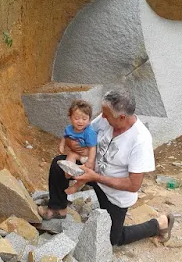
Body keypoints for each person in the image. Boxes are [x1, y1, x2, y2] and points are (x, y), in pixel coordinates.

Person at [38, 88, 174, 245]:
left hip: (114, 194)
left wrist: (95, 177)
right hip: (91, 171)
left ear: (122, 117)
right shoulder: (105, 119)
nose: (102, 117)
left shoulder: (140, 140)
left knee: (111, 240)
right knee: (59, 164)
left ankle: (159, 224)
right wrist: (73, 145)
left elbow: (133, 184)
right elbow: (82, 133)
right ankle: (57, 207)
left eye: (106, 115)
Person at [59, 99, 97, 195]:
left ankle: (76, 186)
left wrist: (90, 161)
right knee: (71, 154)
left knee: (89, 169)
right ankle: (69, 170)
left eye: (84, 119)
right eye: (76, 118)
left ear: (89, 120)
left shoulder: (89, 132)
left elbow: (93, 148)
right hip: (77, 154)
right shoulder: (69, 129)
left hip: (87, 156)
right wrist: (62, 145)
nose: (80, 122)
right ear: (70, 117)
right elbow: (65, 137)